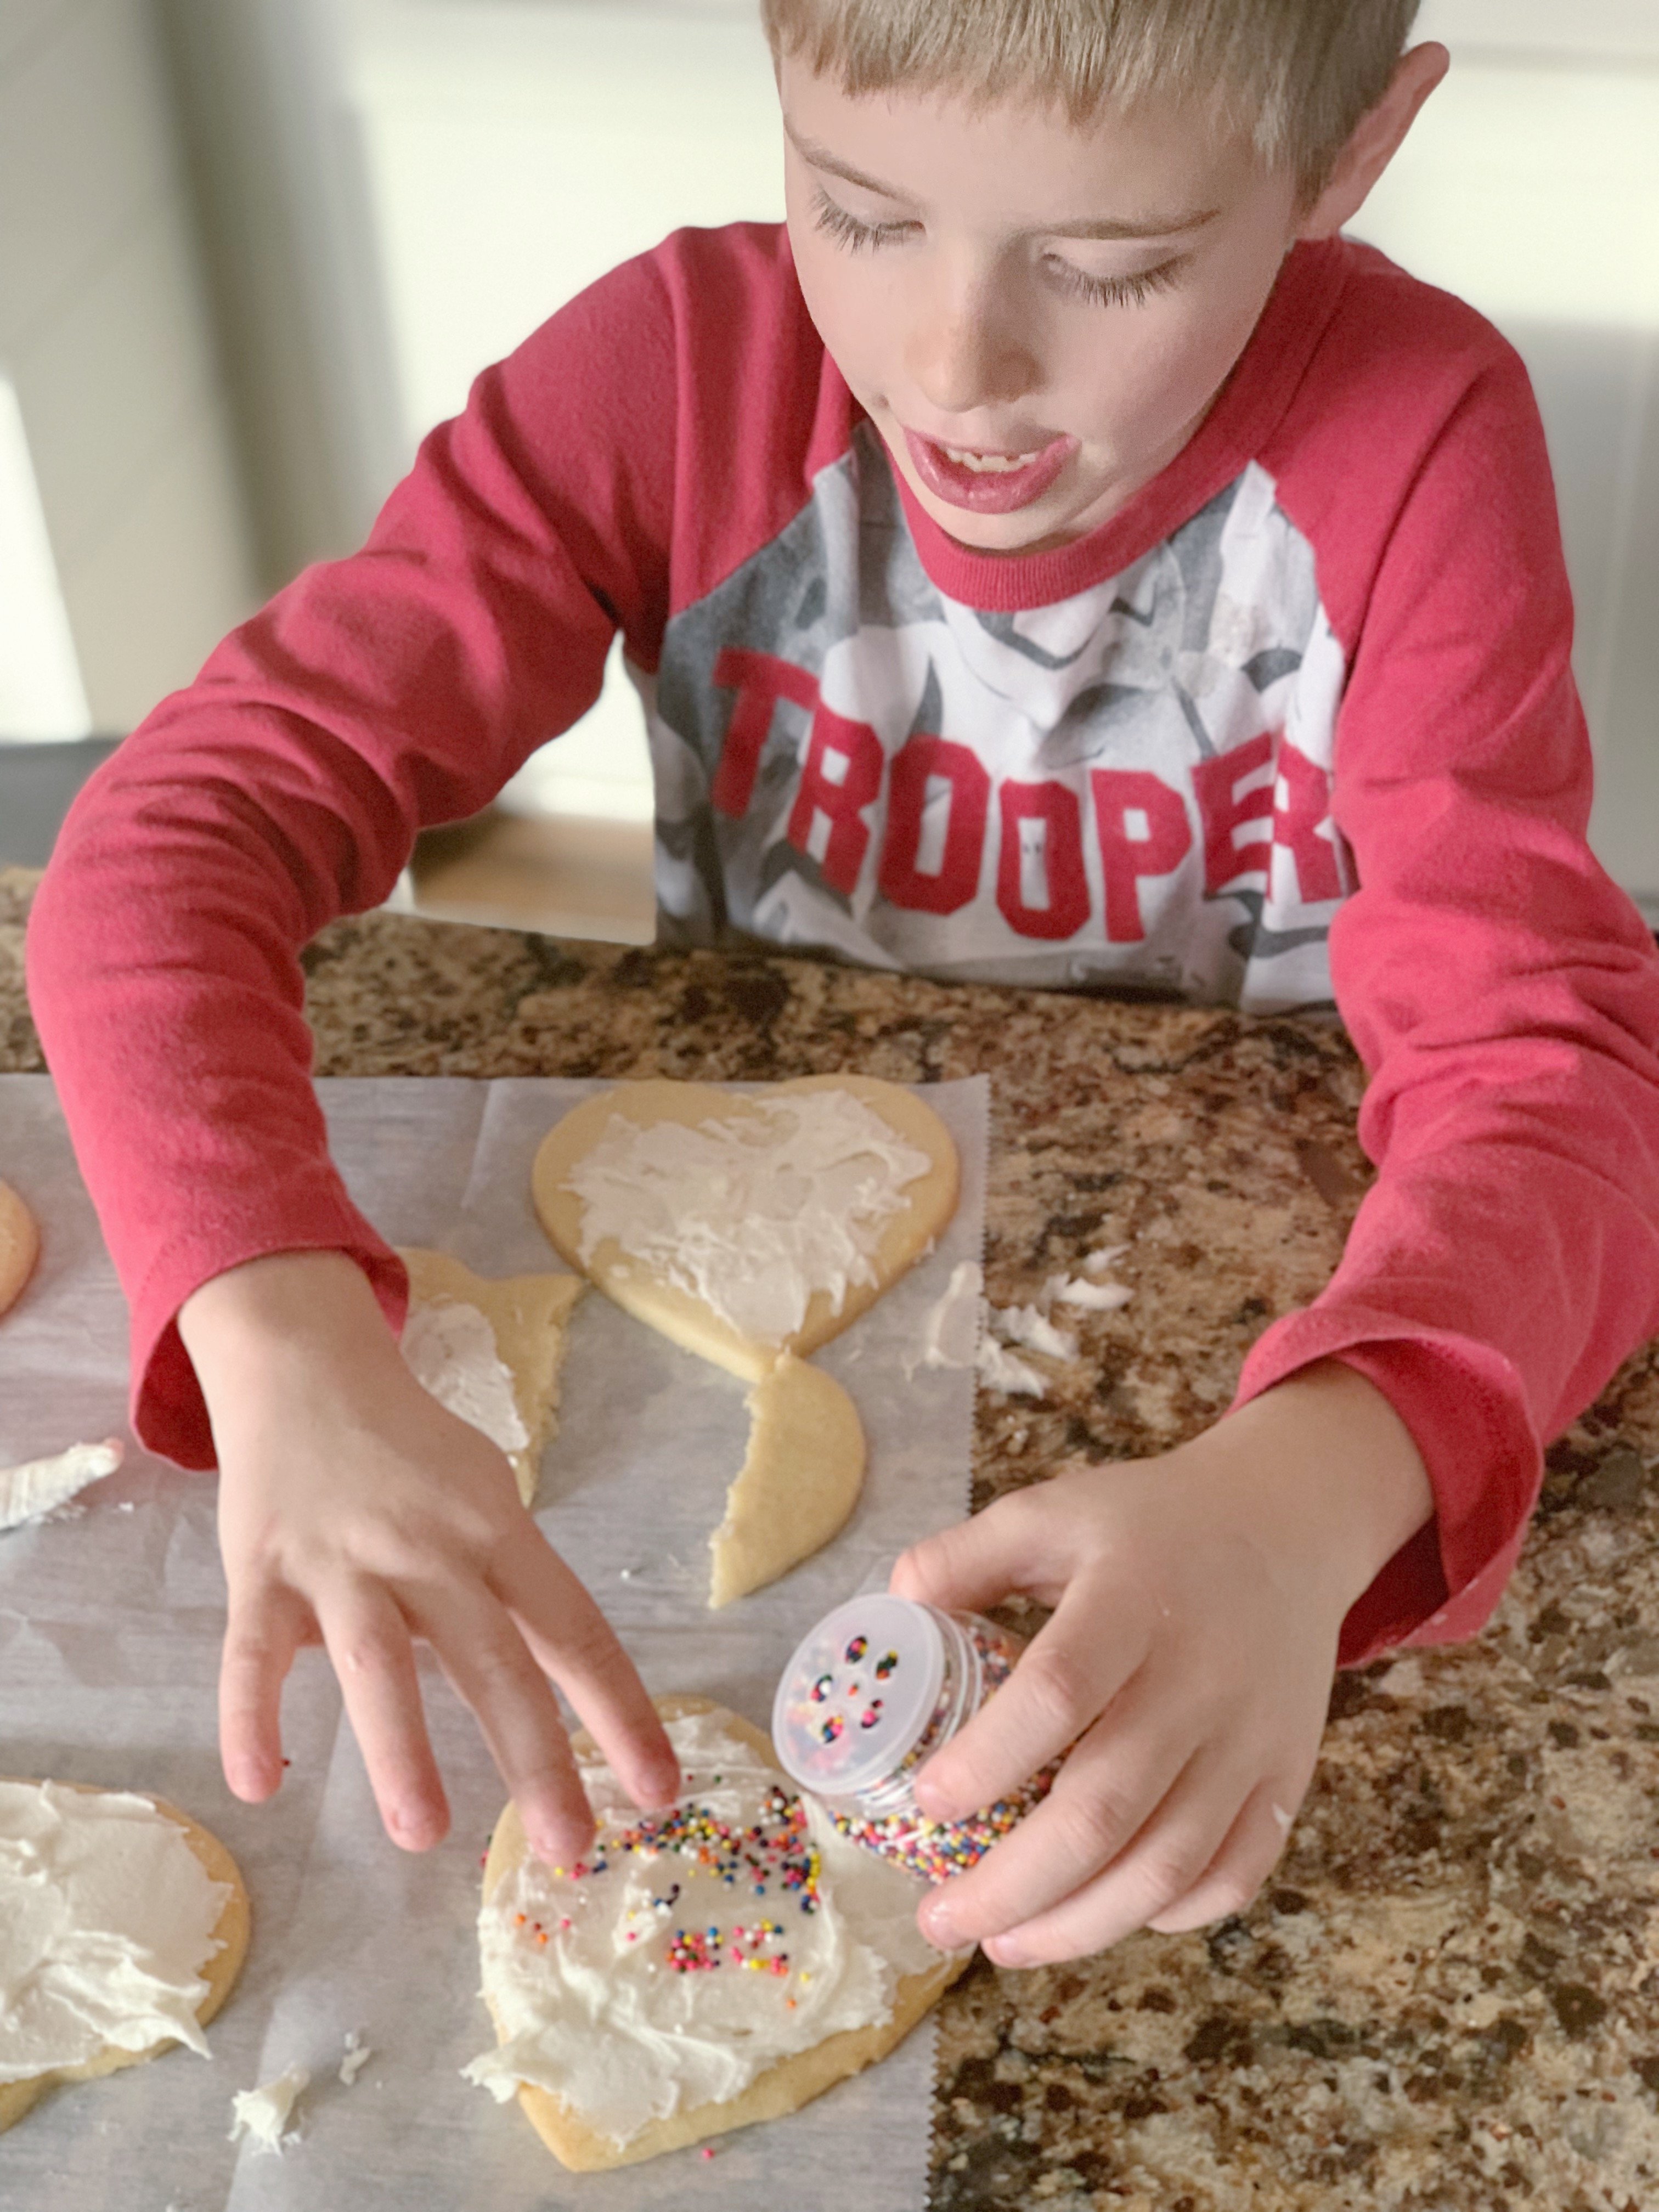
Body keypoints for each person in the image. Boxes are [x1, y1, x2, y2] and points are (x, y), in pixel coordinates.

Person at [26, 0, 1659, 1973]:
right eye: (860, 212)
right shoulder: (678, 378)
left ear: (1349, 155)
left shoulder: (1413, 443)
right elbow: (176, 837)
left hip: (1240, 1287)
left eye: (1110, 261)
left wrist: (1322, 1488)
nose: (954, 365)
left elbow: (1552, 1060)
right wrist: (274, 1328)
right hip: (763, 1219)